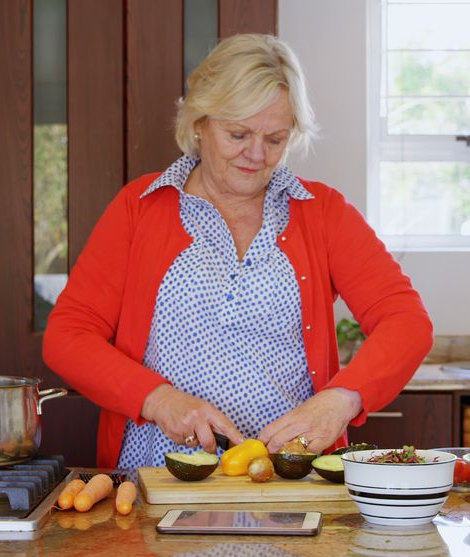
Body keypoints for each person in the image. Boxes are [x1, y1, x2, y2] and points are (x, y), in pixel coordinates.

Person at [43, 34, 433, 469]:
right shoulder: (140, 208)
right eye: (238, 133)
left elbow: (407, 321)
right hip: (155, 478)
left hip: (290, 478)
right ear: (199, 123)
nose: (255, 154)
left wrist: (340, 400)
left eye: (275, 139)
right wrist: (157, 400)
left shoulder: (322, 214)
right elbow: (68, 337)